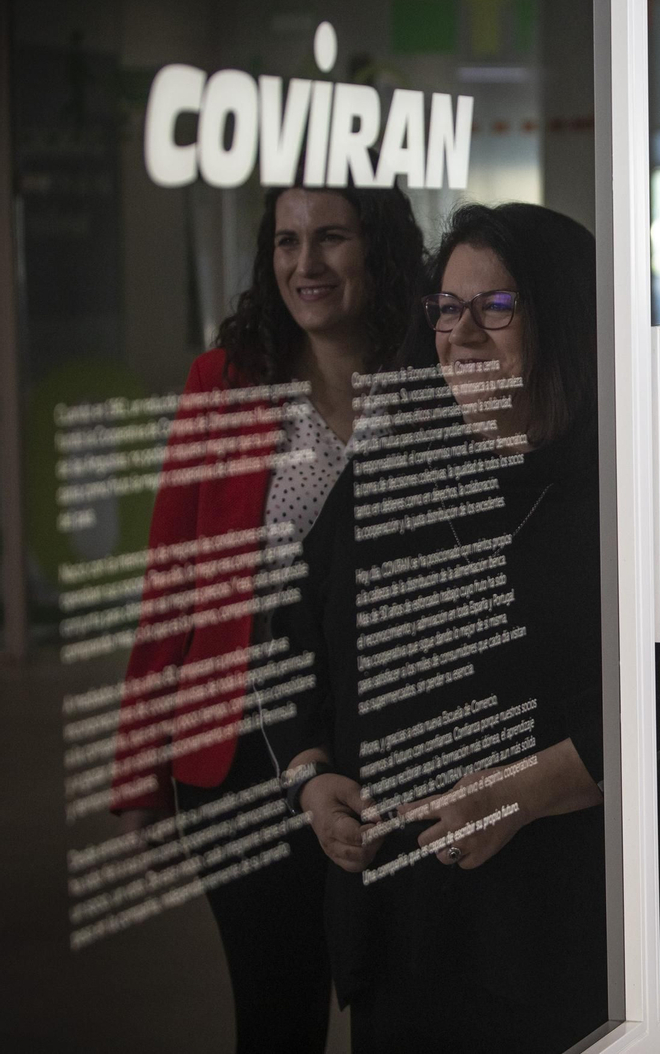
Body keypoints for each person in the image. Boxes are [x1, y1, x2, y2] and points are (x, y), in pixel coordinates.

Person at [276, 202, 609, 1052]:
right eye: (447, 309)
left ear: (563, 319)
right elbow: (290, 629)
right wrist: (312, 775)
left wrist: (517, 794)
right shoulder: (393, 468)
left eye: (496, 309)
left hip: (553, 926)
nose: (463, 334)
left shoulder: (621, 490)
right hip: (399, 924)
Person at [111, 181, 425, 1053]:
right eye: (287, 243)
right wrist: (141, 774)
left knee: (398, 1003)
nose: (305, 264)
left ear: (379, 248)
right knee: (276, 1013)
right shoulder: (226, 380)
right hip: (242, 751)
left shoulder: (428, 376)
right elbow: (171, 583)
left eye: (331, 238)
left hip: (384, 732)